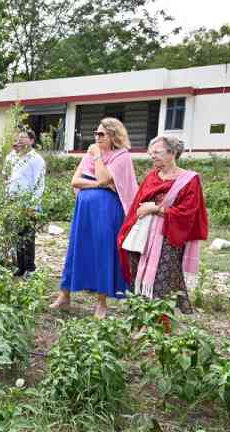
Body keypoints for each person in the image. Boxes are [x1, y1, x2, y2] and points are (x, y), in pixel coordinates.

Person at [50, 117, 139, 318]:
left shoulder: (121, 156)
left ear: (113, 136)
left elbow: (103, 177)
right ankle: (65, 295)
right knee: (76, 249)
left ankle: (101, 302)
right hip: (85, 211)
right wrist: (98, 185)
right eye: (95, 134)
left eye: (101, 134)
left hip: (107, 212)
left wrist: (97, 157)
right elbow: (75, 180)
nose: (96, 138)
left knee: (103, 252)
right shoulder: (91, 154)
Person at [118, 136, 208, 313]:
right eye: (151, 153)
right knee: (139, 275)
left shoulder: (189, 180)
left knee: (162, 280)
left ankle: (159, 326)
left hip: (169, 237)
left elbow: (188, 213)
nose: (152, 156)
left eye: (157, 152)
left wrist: (156, 209)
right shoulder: (152, 177)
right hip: (143, 236)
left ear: (172, 153)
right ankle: (141, 319)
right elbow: (137, 204)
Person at [3, 128, 46, 277]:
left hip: (28, 203)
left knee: (28, 236)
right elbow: (6, 176)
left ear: (31, 141)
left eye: (24, 137)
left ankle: (30, 267)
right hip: (13, 201)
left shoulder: (36, 159)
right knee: (17, 235)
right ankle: (20, 266)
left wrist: (33, 205)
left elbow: (39, 184)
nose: (20, 140)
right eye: (18, 137)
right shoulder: (13, 157)